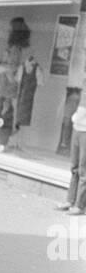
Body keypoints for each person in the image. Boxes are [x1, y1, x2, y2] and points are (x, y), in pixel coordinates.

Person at [55, 85, 86, 215]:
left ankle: (79, 205)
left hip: (84, 131)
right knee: (74, 167)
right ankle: (70, 200)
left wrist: (76, 118)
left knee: (83, 169)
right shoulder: (83, 92)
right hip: (77, 129)